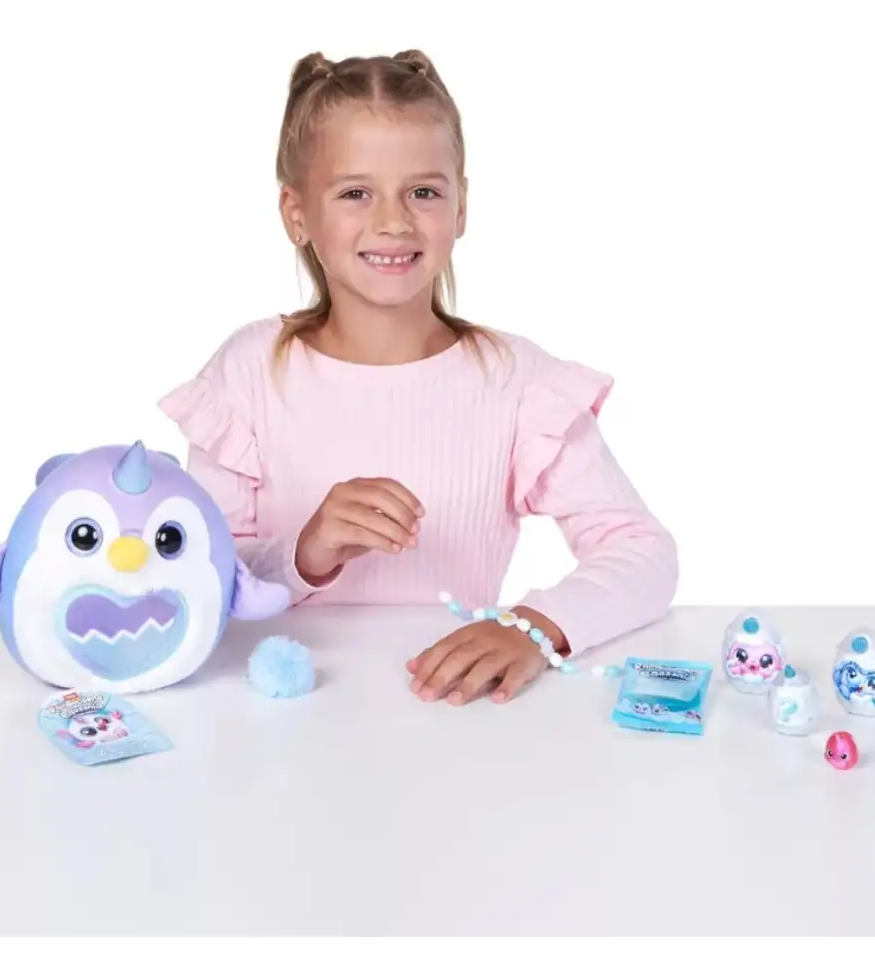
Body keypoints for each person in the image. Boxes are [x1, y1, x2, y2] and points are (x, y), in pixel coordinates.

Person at [158, 49, 678, 706]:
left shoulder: (518, 382)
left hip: (454, 711)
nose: (394, 221)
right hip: (278, 714)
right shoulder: (249, 375)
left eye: (424, 192)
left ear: (460, 208)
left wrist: (534, 629)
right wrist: (306, 551)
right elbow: (194, 573)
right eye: (355, 193)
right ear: (296, 213)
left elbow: (643, 552)